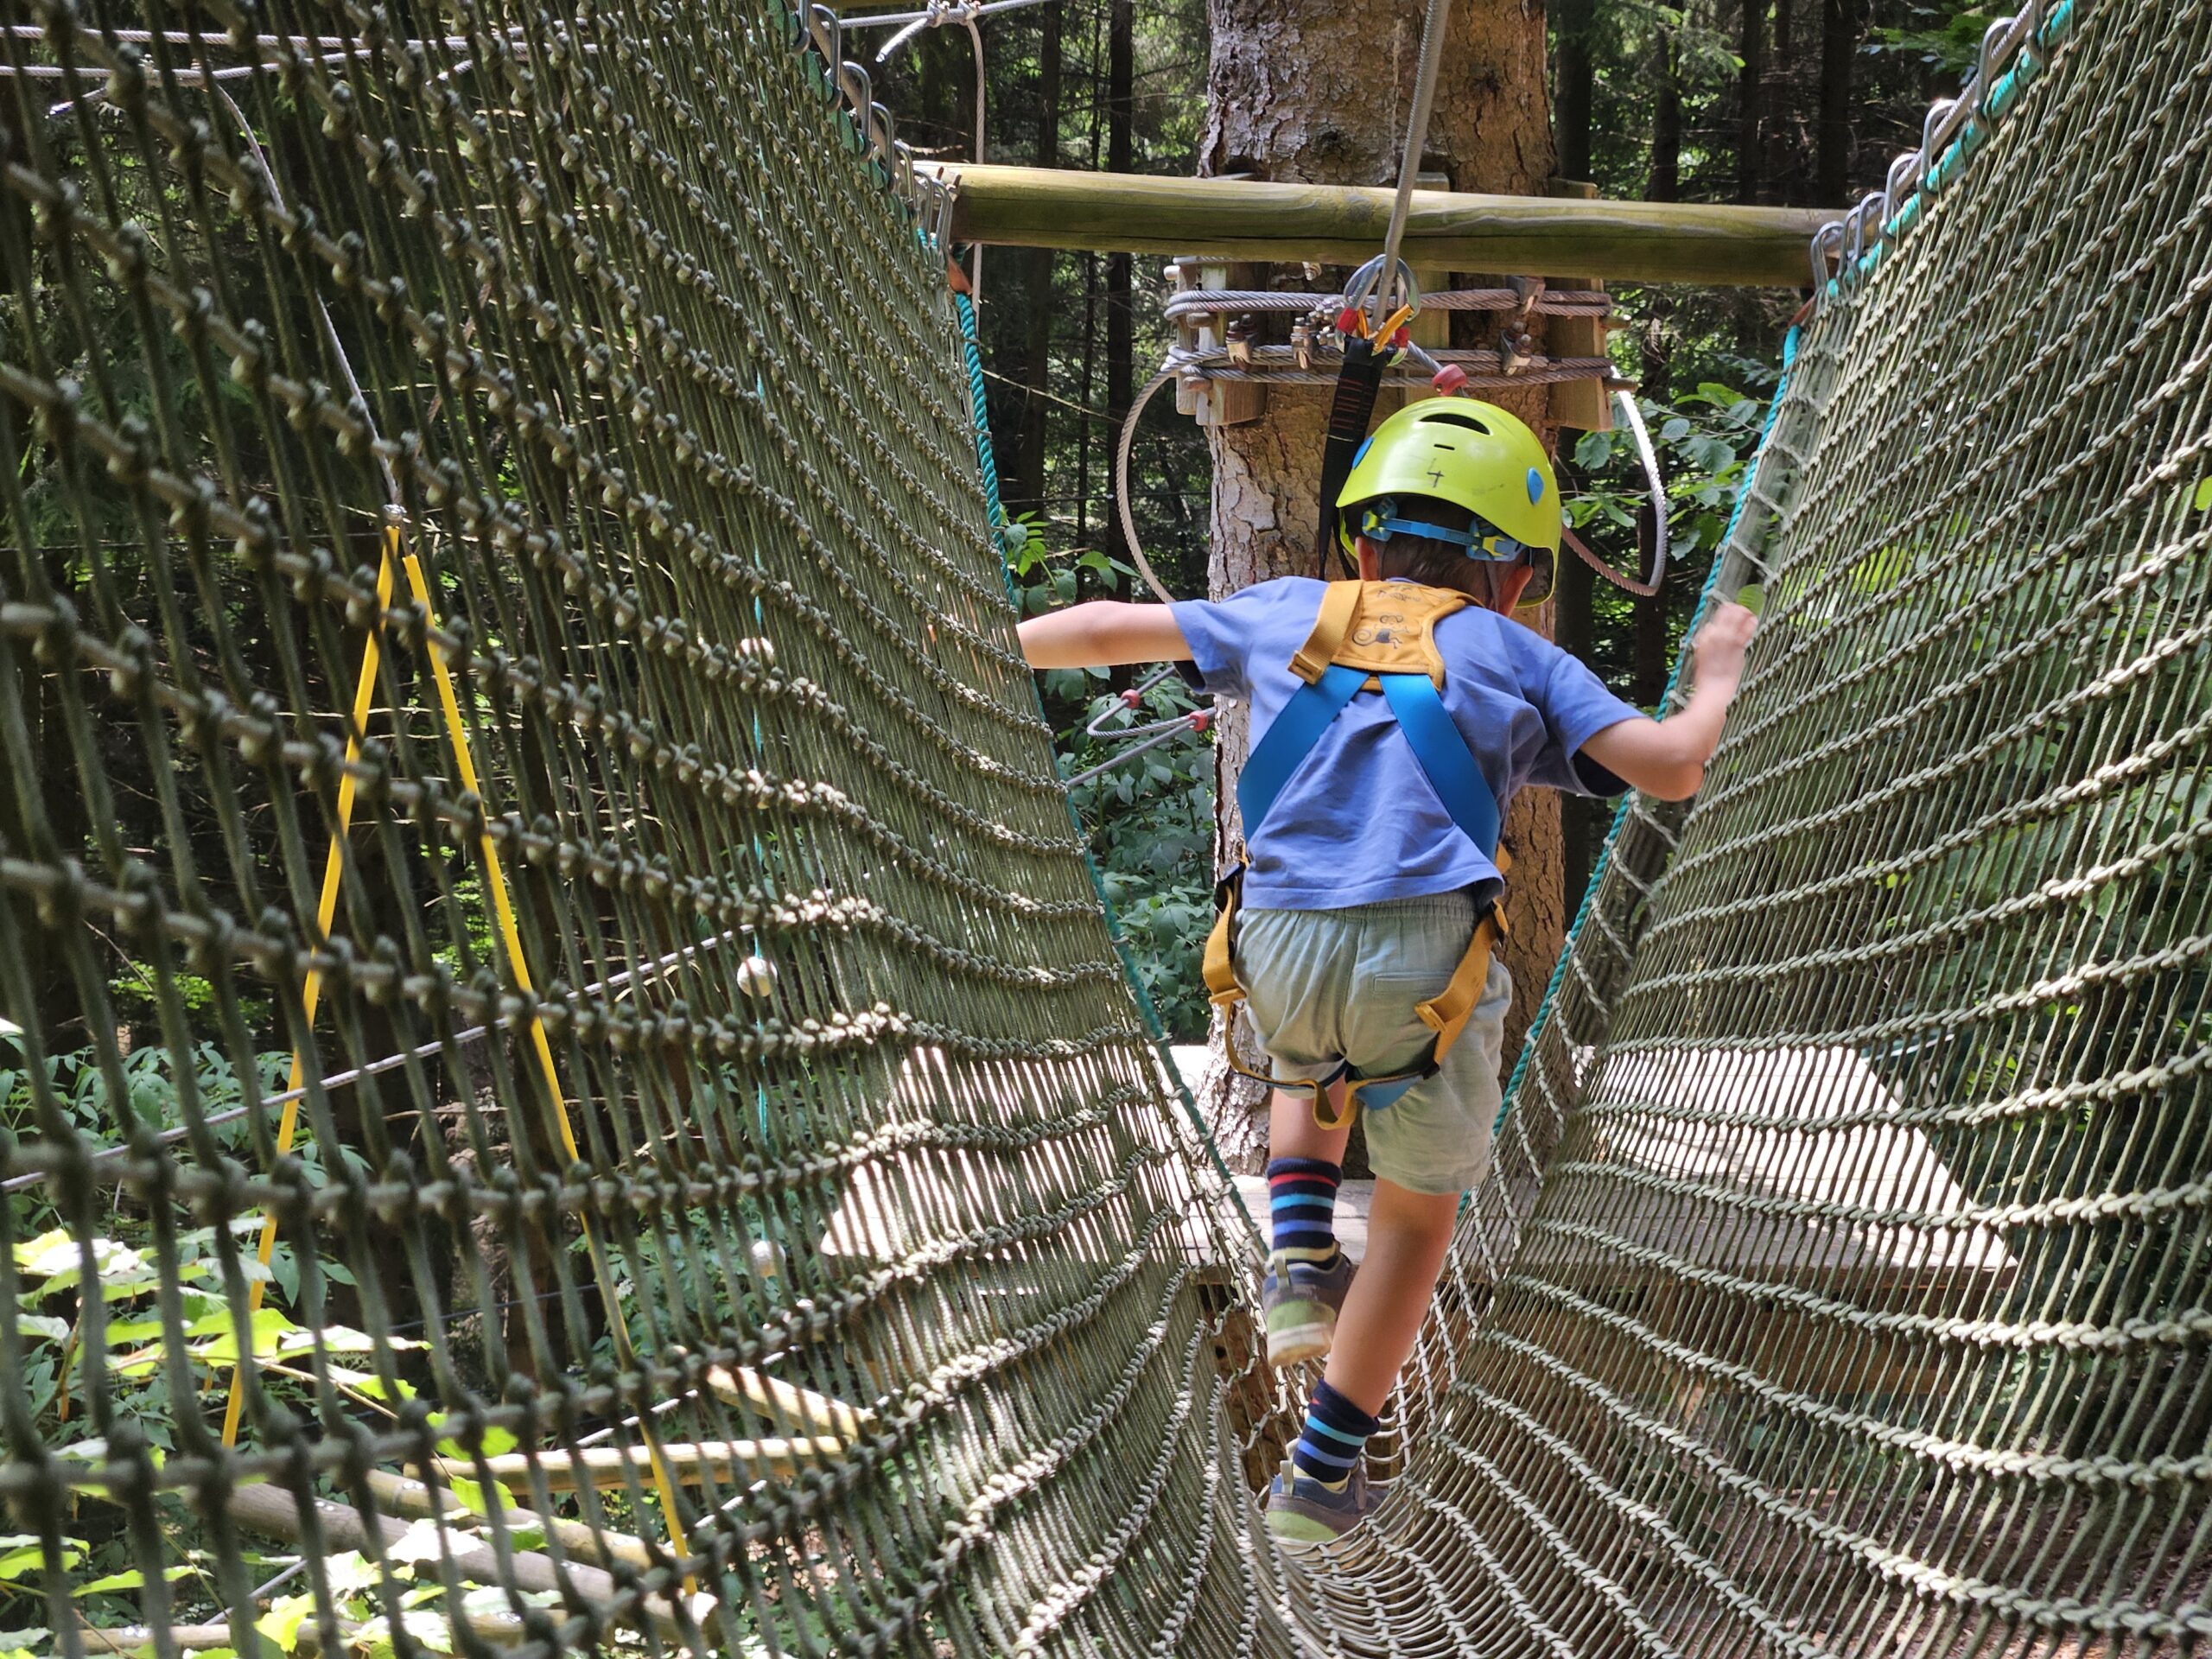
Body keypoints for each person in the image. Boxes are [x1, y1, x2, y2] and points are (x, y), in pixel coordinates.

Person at [1018, 397, 1758, 1544]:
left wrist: (988, 640)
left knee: (1312, 1064)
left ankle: (1298, 1255)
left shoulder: (1285, 610)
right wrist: (1717, 671)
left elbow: (1117, 628)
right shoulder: (1519, 651)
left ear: (1362, 543)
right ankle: (1321, 1474)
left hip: (1271, 943)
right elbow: (1665, 768)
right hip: (1426, 964)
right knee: (1416, 1223)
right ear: (1514, 577)